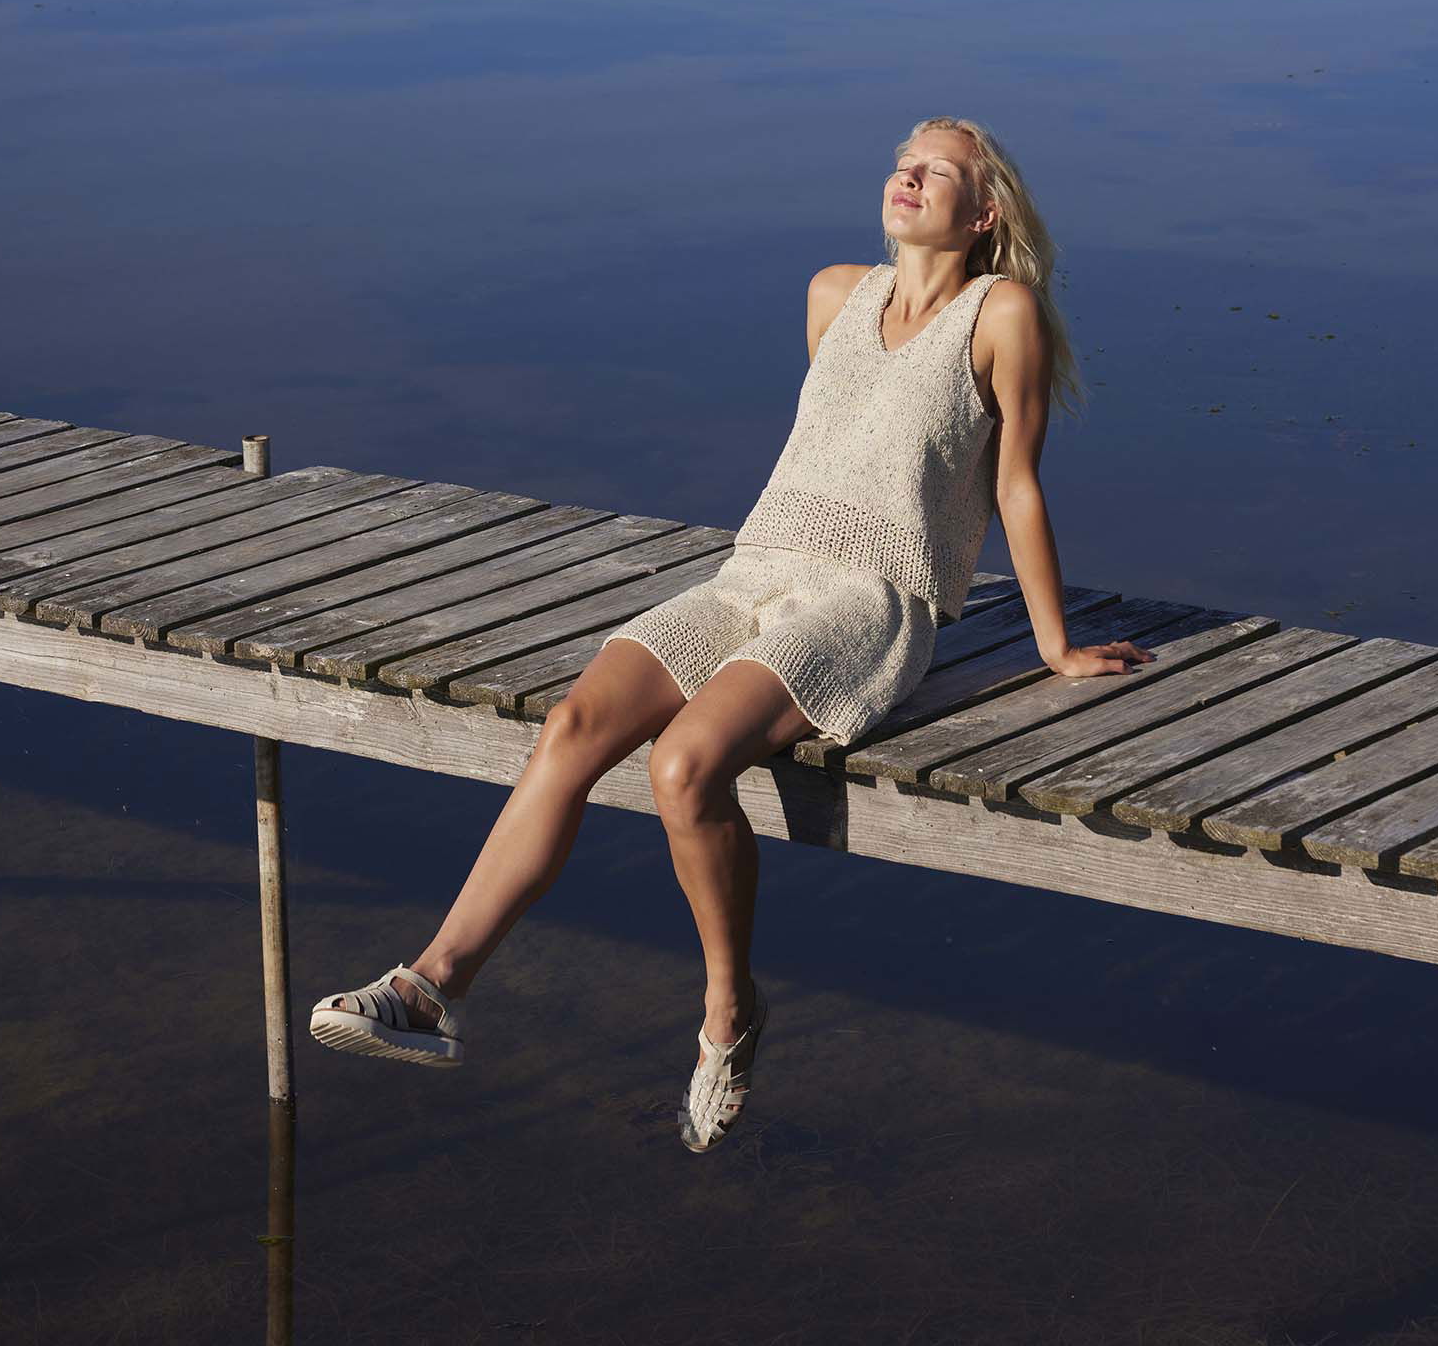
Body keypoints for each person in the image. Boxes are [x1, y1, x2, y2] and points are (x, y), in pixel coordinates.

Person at [310, 114, 1153, 1149]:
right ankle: (433, 987)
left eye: (937, 171)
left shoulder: (1001, 314)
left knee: (683, 766)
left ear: (983, 212)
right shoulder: (833, 294)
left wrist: (1052, 644)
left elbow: (1015, 485)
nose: (908, 178)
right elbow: (832, 446)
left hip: (869, 600)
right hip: (753, 570)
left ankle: (728, 1010)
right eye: (902, 163)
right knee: (573, 724)